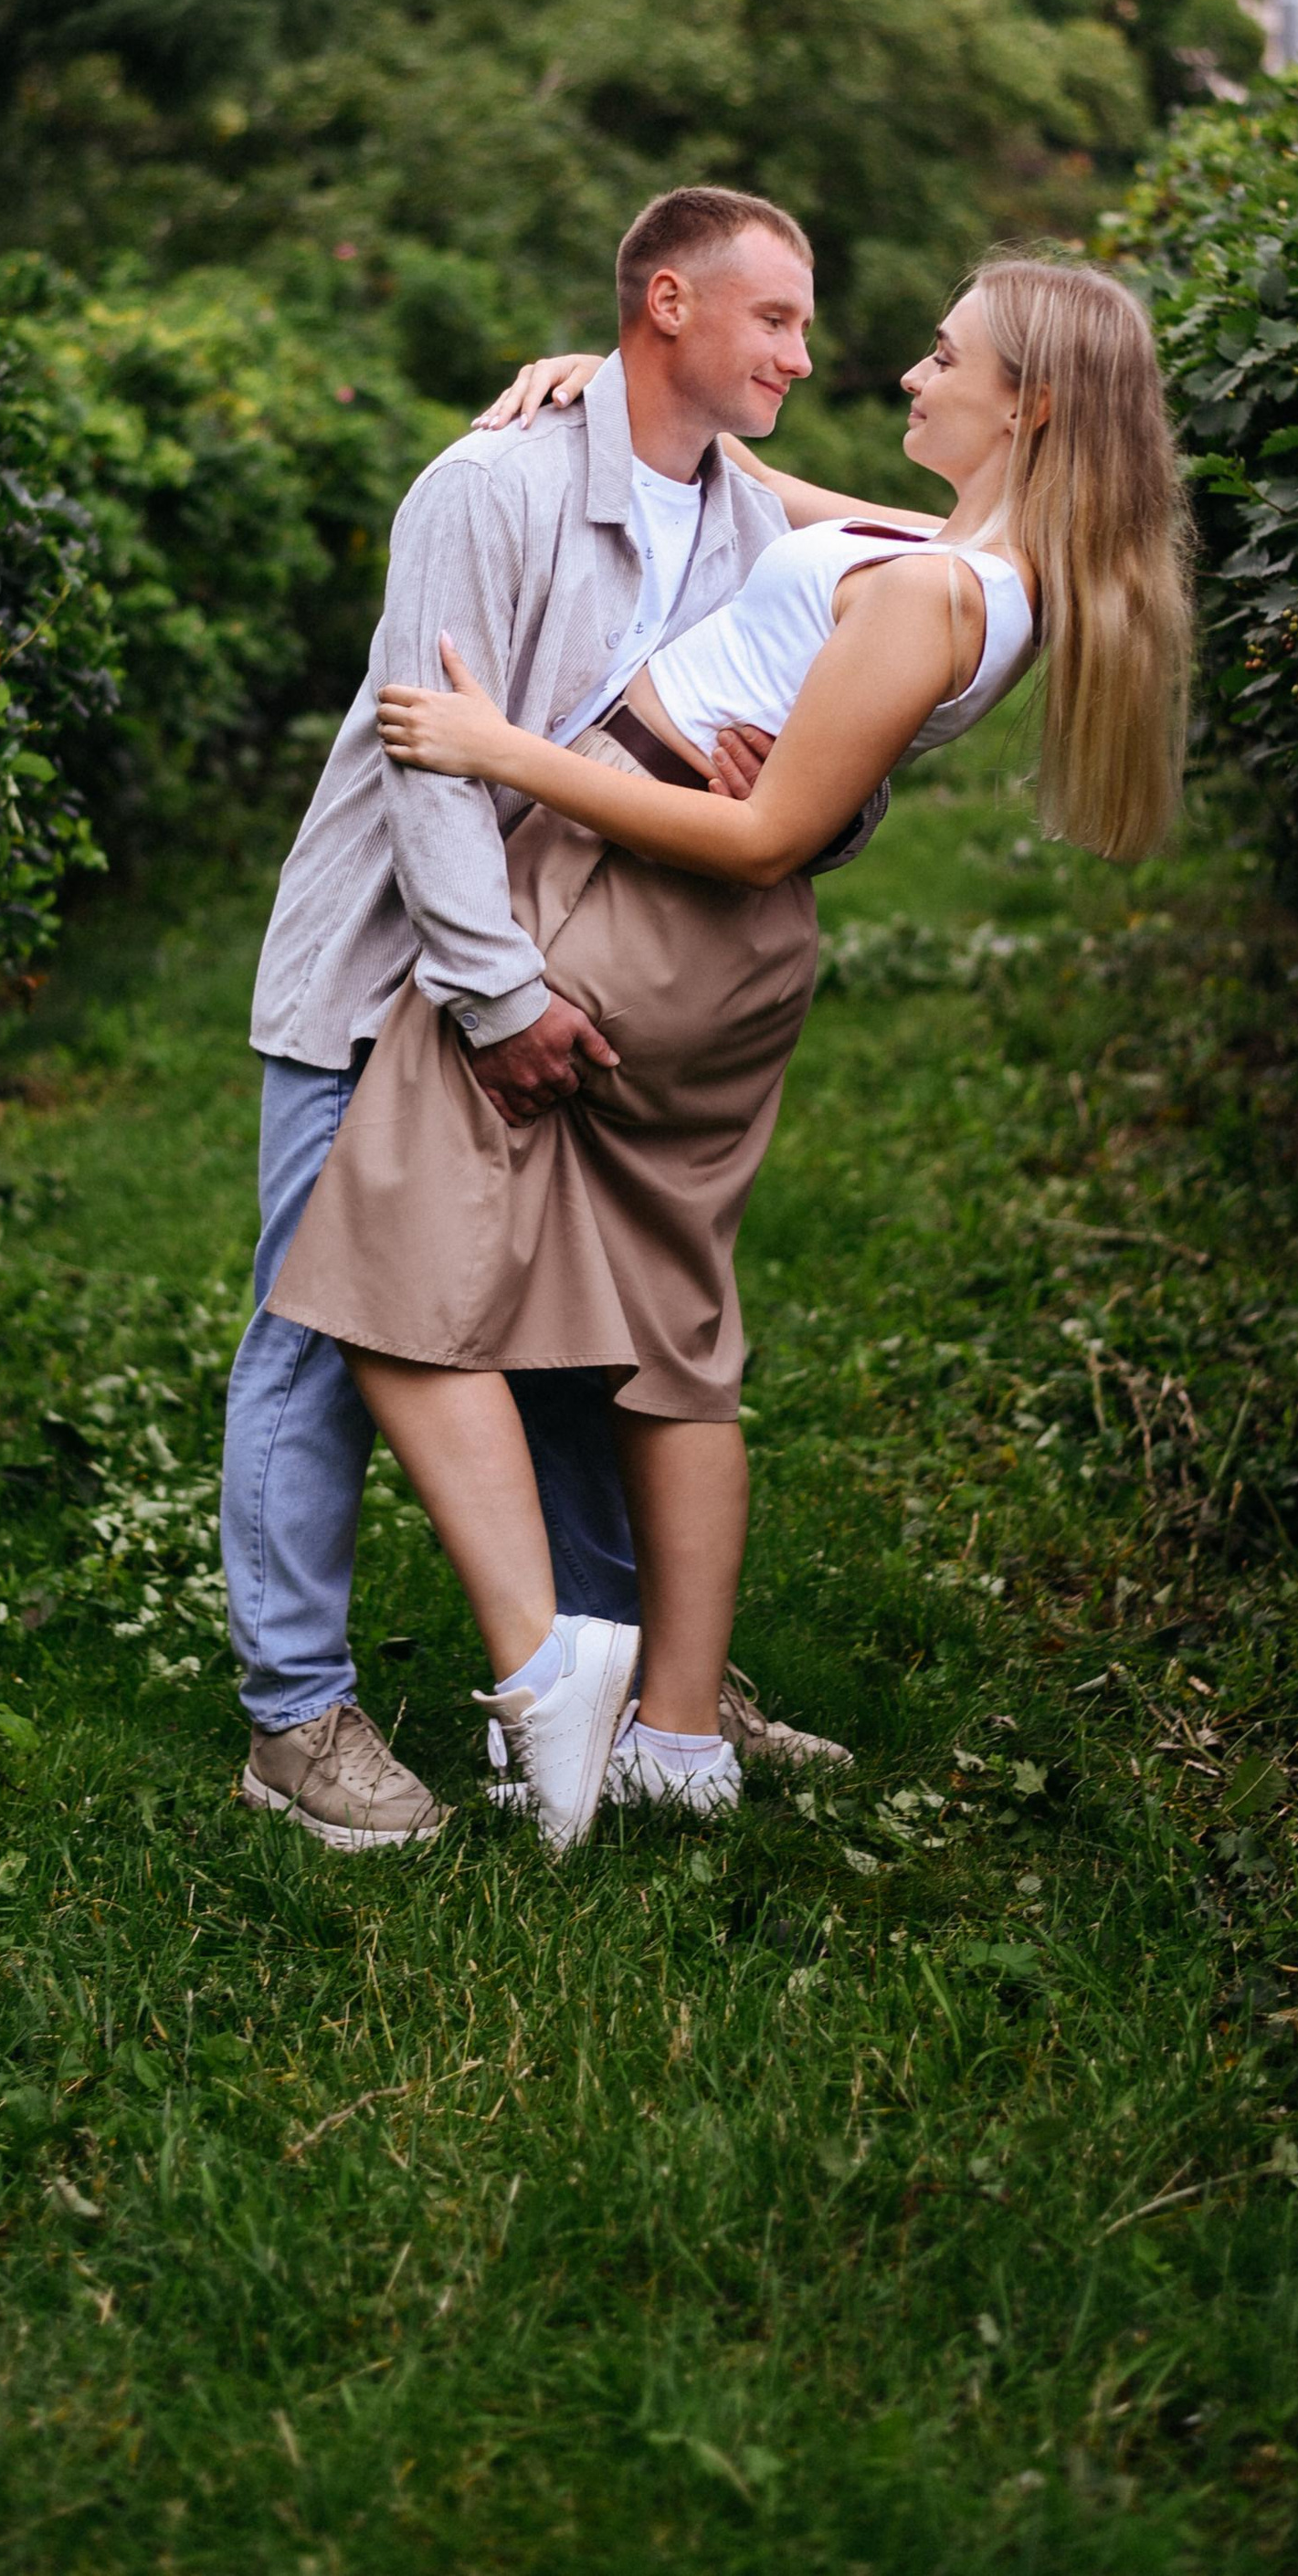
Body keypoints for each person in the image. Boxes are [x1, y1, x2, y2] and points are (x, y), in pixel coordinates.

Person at [269, 257, 1192, 1853]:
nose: (905, 371)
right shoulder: (959, 547)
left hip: (648, 904)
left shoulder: (937, 587)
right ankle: (678, 1736)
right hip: (711, 951)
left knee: (381, 1264)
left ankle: (549, 1673)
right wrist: (612, 361)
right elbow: (740, 476)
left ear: (1028, 403)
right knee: (667, 1333)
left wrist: (506, 752)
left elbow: (768, 831)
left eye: (944, 355)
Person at [223, 184, 878, 1850]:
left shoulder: (756, 532)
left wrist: (794, 793)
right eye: (776, 319)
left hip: (604, 981)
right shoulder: (493, 481)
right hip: (395, 970)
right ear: (667, 303)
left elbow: (822, 769)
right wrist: (493, 989)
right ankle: (296, 1719)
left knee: (585, 1342)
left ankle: (658, 1683)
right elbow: (424, 744)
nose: (804, 354)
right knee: (323, 1341)